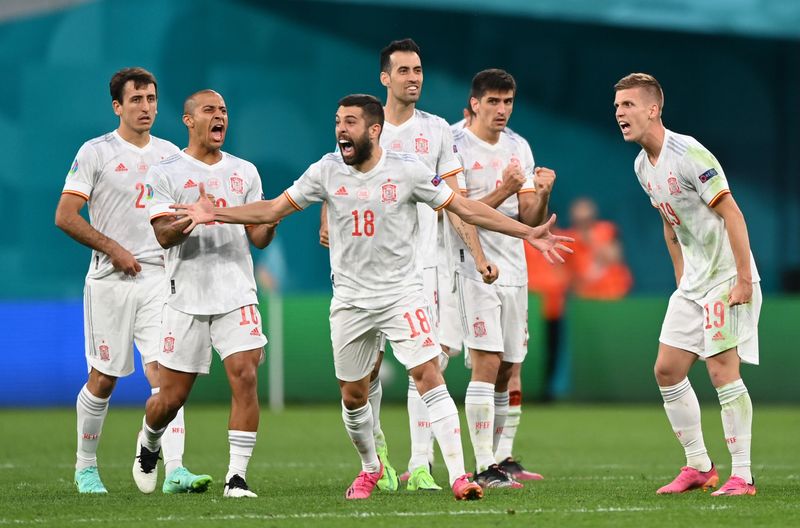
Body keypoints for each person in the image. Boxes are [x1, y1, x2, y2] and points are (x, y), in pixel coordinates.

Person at [171, 94, 572, 501]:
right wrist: (215, 213)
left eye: (350, 122)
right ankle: (370, 466)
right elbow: (271, 209)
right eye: (337, 121)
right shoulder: (326, 171)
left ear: (374, 130)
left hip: (402, 294)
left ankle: (458, 475)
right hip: (349, 300)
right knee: (353, 395)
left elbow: (465, 208)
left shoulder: (409, 172)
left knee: (428, 374)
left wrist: (527, 233)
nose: (341, 130)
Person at [319, 39, 498, 492]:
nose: (414, 78)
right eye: (404, 71)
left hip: (421, 268)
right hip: (360, 273)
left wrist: (477, 255)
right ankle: (377, 454)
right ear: (385, 77)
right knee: (366, 373)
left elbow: (458, 202)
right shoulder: (360, 123)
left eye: (418, 70)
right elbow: (336, 179)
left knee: (426, 364)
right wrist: (327, 219)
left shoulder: (437, 130)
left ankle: (422, 463)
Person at [614, 73, 761, 496]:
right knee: (667, 369)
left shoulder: (690, 153)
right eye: (617, 107)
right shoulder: (642, 165)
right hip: (695, 284)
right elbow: (669, 223)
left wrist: (744, 280)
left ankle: (743, 475)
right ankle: (699, 465)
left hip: (727, 277)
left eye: (627, 105)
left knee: (720, 370)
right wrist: (681, 278)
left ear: (653, 109)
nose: (620, 113)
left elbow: (732, 214)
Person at [132, 89, 276, 498]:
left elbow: (259, 238)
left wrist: (272, 220)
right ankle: (150, 440)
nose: (220, 117)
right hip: (186, 296)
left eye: (225, 111)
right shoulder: (166, 172)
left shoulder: (244, 172)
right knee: (170, 400)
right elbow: (162, 235)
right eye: (210, 110)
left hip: (237, 293)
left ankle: (236, 478)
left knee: (245, 377)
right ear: (188, 120)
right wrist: (190, 220)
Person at [55, 67, 190, 494]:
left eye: (151, 98)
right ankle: (85, 466)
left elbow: (178, 213)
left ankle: (175, 469)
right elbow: (65, 216)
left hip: (157, 279)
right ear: (118, 106)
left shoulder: (171, 155)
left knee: (166, 376)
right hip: (110, 281)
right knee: (104, 379)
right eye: (136, 100)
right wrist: (113, 247)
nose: (146, 107)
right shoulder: (95, 152)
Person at [448, 69, 553, 488]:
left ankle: (502, 459)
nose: (502, 110)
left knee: (510, 365)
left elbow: (530, 218)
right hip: (472, 262)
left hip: (514, 262)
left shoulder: (518, 146)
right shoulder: (454, 143)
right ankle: (483, 464)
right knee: (486, 361)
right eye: (493, 101)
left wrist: (541, 192)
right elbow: (457, 208)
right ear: (474, 103)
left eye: (507, 102)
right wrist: (506, 190)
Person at [564, 197, 632, 300]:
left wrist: (594, 245)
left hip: (614, 294)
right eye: (580, 221)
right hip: (585, 298)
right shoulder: (568, 239)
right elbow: (568, 274)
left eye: (587, 220)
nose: (584, 225)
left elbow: (614, 256)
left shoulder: (607, 230)